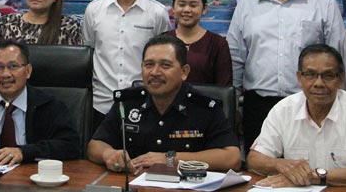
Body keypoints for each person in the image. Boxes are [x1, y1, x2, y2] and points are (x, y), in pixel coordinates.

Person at [227, 0, 344, 152]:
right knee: (260, 170)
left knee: (308, 170)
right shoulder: (247, 6)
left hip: (311, 104)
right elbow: (235, 58)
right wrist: (233, 105)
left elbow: (337, 61)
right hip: (258, 106)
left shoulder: (324, 5)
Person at [87, 35, 241, 172]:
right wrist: (109, 154)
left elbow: (232, 158)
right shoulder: (128, 103)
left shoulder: (203, 107)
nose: (155, 72)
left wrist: (171, 159)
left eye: (165, 65)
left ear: (184, 72)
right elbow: (95, 145)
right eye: (148, 65)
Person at [247, 44, 346, 191]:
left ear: (341, 79)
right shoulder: (283, 109)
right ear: (299, 78)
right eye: (311, 75)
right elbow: (254, 160)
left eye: (328, 75)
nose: (319, 83)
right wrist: (280, 165)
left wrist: (312, 177)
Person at [82, 0, 171, 128]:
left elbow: (164, 60)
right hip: (101, 105)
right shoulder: (94, 10)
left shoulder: (157, 13)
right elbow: (88, 52)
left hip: (145, 106)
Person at [164, 0, 232, 85]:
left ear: (204, 8)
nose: (186, 9)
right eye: (181, 4)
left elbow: (224, 88)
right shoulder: (162, 41)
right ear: (173, 7)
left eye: (193, 5)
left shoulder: (218, 44)